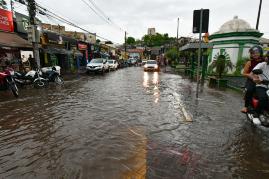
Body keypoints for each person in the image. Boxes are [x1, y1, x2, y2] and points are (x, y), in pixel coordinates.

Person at [241, 45, 264, 113]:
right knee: (250, 90)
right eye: (253, 53)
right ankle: (245, 106)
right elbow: (244, 73)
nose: (255, 54)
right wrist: (252, 77)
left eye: (257, 52)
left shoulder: (265, 62)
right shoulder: (249, 62)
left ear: (260, 53)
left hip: (263, 80)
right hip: (252, 80)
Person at [251, 51, 269, 119]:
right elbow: (254, 71)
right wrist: (257, 78)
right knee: (263, 98)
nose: (266, 58)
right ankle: (256, 113)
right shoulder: (262, 64)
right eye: (267, 56)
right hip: (261, 85)